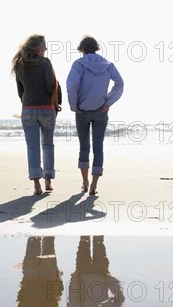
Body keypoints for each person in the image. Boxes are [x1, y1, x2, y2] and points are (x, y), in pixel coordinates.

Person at [66, 36, 124, 195]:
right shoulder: (108, 64)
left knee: (84, 147)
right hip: (101, 110)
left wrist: (74, 105)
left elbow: (71, 84)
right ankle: (94, 185)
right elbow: (120, 83)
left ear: (82, 49)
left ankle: (84, 182)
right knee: (98, 148)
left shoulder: (79, 64)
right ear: (96, 48)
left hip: (82, 111)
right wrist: (108, 102)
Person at [12, 34, 62, 195]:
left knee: (32, 147)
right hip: (46, 108)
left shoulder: (20, 64)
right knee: (47, 144)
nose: (46, 48)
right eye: (44, 46)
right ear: (37, 47)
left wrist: (27, 104)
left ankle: (36, 185)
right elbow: (51, 85)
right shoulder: (45, 62)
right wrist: (55, 103)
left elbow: (20, 91)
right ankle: (48, 180)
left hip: (28, 109)